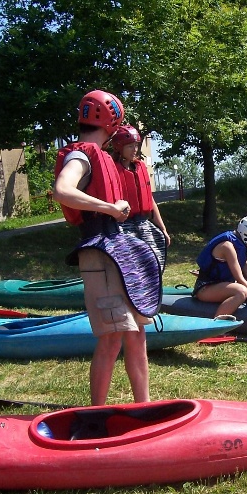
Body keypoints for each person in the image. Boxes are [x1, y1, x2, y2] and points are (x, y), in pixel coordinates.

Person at [53, 90, 162, 406]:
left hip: (117, 249)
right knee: (113, 337)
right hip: (99, 252)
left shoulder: (99, 153)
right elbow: (63, 190)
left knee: (137, 333)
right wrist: (110, 208)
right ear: (111, 119)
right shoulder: (82, 155)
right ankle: (95, 412)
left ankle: (144, 406)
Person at [110, 123, 171, 271]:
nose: (135, 149)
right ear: (119, 147)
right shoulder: (112, 169)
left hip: (144, 223)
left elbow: (149, 200)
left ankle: (154, 290)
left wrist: (162, 229)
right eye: (130, 146)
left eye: (136, 145)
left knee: (156, 261)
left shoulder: (140, 167)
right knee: (132, 266)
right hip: (124, 225)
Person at [193, 215, 247, 317]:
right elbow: (240, 279)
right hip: (205, 288)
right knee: (241, 291)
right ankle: (217, 325)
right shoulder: (227, 247)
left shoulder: (240, 246)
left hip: (220, 283)